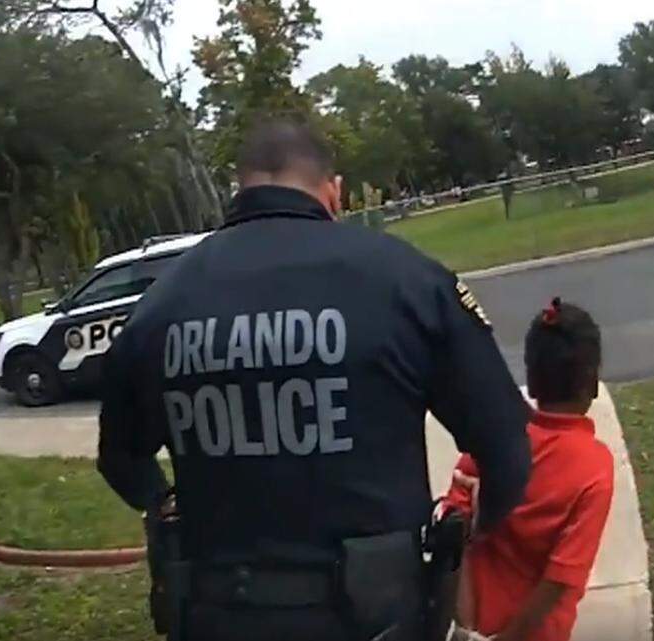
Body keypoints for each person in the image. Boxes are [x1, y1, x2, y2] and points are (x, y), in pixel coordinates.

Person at [97, 119, 533, 641]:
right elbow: (507, 450)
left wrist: (164, 502)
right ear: (335, 191)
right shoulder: (407, 279)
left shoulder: (160, 304)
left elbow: (120, 458)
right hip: (378, 615)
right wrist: (471, 532)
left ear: (241, 187)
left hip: (218, 612)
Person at [443, 298, 614, 641]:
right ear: (592, 382)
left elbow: (452, 540)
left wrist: (467, 630)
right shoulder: (594, 469)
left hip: (473, 628)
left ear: (532, 382)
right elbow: (559, 579)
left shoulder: (492, 439)